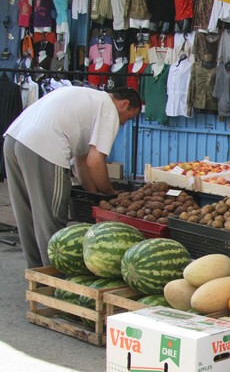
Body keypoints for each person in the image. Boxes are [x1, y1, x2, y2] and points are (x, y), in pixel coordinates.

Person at [3, 86, 142, 269]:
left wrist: (93, 194)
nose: (124, 123)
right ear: (124, 104)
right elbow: (95, 162)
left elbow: (81, 162)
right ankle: (54, 277)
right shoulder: (109, 110)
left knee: (26, 214)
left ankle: (36, 273)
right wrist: (110, 193)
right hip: (43, 146)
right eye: (129, 118)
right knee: (51, 217)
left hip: (13, 140)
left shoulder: (89, 98)